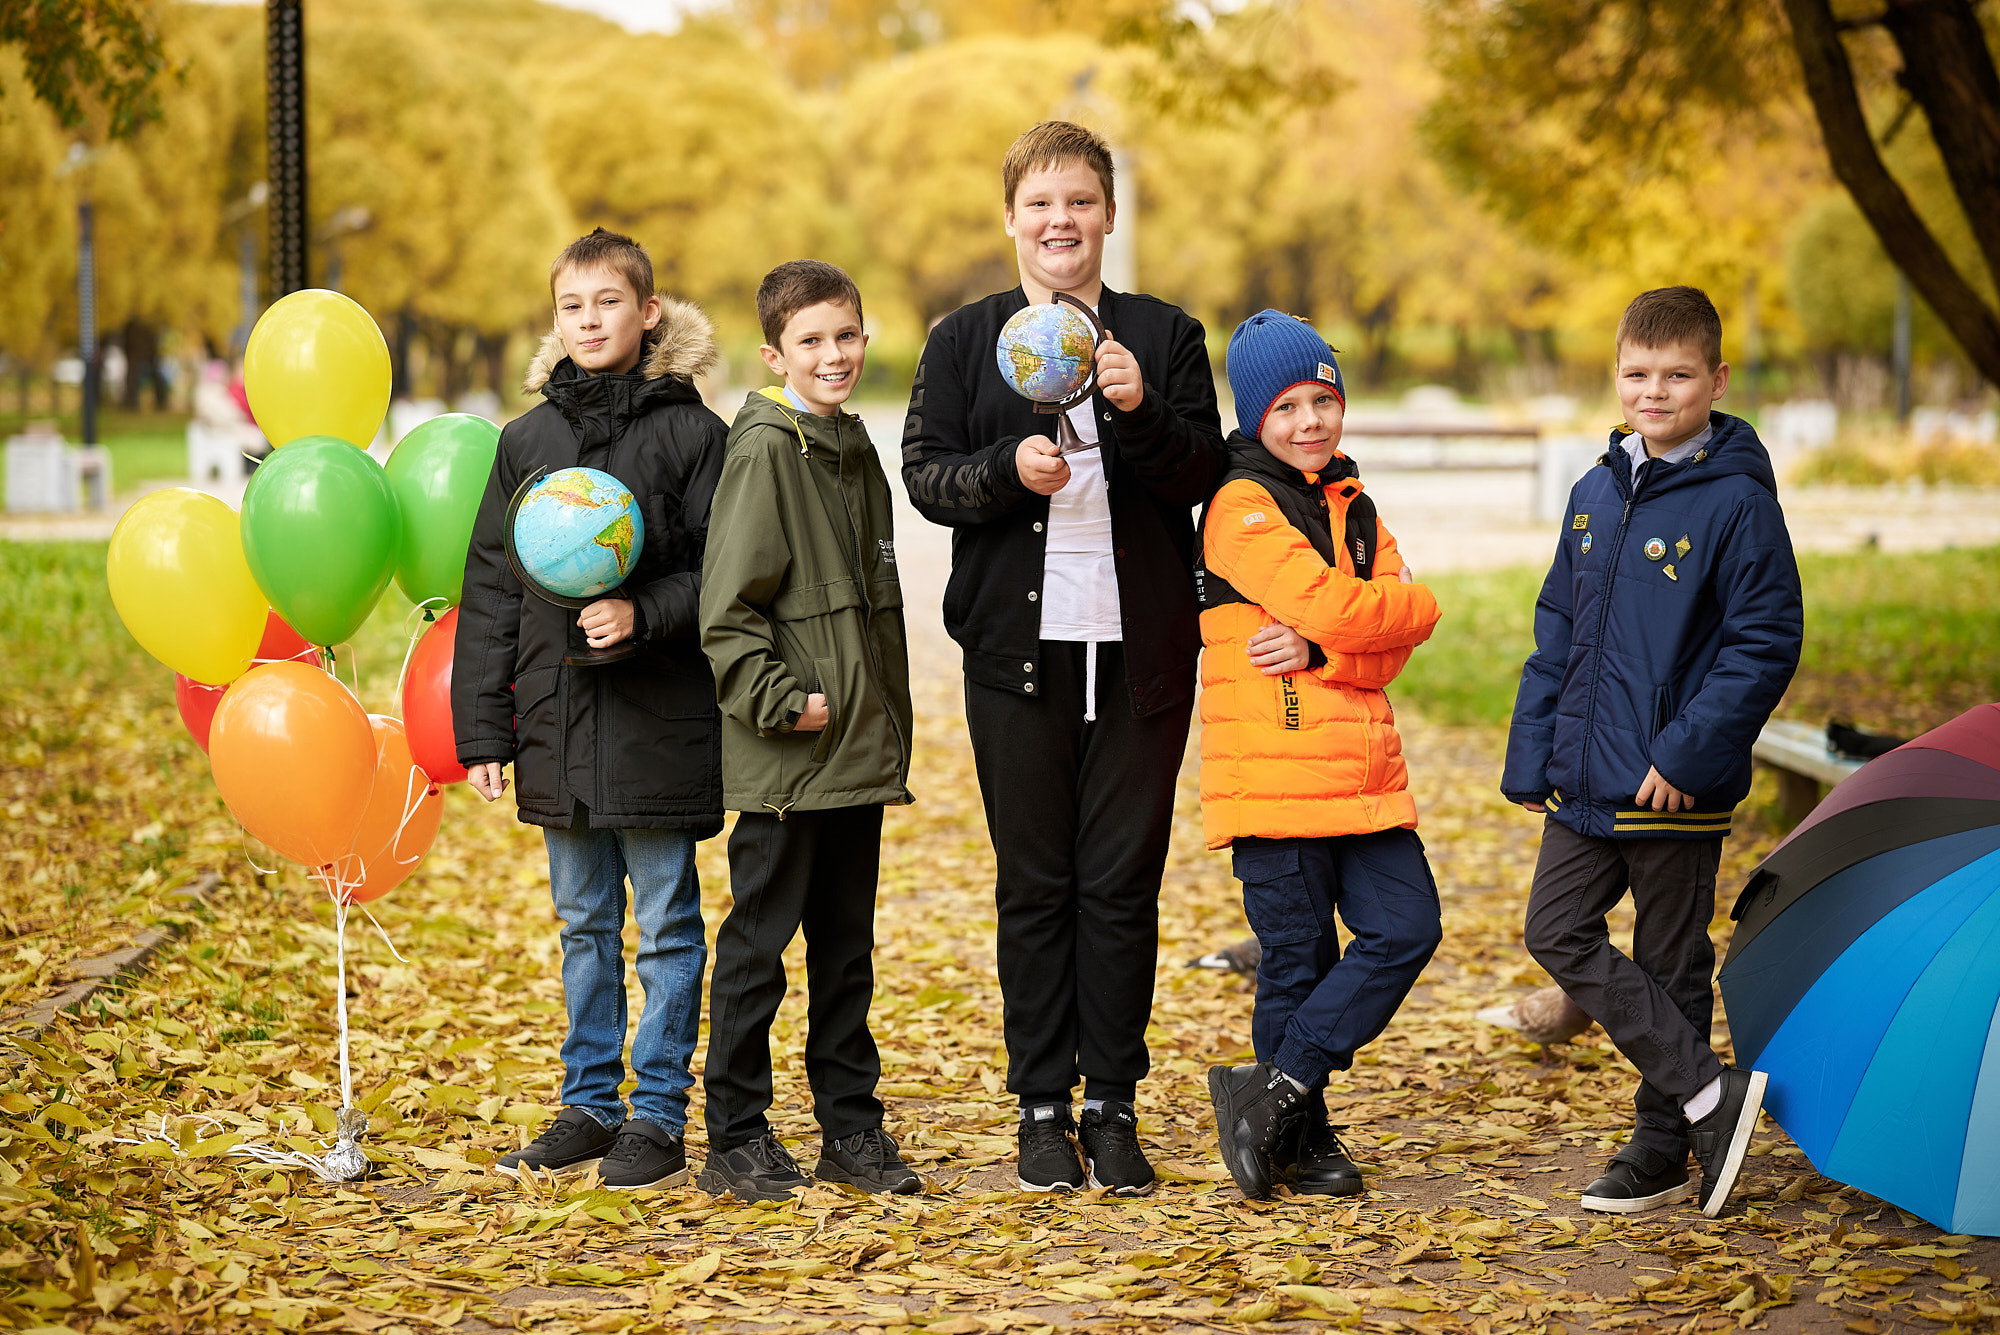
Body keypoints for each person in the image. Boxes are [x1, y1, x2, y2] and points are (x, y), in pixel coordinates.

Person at [900, 120, 1225, 1195]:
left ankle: (1112, 1103)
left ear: (1109, 217)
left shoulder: (1164, 336)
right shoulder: (962, 340)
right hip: (1015, 658)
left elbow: (1200, 481)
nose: (1059, 222)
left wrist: (1135, 409)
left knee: (1122, 884)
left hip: (1140, 659)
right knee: (1034, 884)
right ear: (1010, 220)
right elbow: (925, 475)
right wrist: (1007, 468)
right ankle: (1040, 1106)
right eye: (1039, 204)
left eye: (1079, 202)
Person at [1503, 286, 1803, 1218]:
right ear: (1617, 375)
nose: (1656, 392)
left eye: (1678, 376)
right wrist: (1535, 748)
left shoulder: (1738, 502)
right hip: (1585, 773)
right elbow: (1559, 624)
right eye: (1638, 374)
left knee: (1670, 960)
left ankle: (1661, 1143)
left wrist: (1686, 750)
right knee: (1554, 929)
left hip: (1673, 781)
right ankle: (1712, 1095)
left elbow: (1766, 639)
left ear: (1715, 379)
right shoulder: (1595, 489)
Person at [454, 228, 726, 1191]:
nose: (589, 320)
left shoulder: (696, 434)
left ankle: (655, 1114)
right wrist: (481, 729)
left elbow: (724, 577)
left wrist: (642, 612)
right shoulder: (524, 443)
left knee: (664, 923)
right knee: (580, 921)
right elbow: (491, 590)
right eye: (572, 306)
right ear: (555, 318)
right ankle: (589, 1102)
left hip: (659, 720)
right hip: (560, 726)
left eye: (608, 303)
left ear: (649, 313)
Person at [1196, 312, 1444, 1201]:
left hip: (1364, 775)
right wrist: (1365, 620)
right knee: (1295, 958)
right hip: (1276, 773)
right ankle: (1298, 1133)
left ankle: (1273, 1090)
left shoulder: (1356, 504)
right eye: (1289, 405)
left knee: (1407, 926)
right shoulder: (1240, 504)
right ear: (1255, 414)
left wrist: (1325, 649)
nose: (1310, 421)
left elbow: (1398, 627)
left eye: (1324, 400)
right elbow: (1366, 606)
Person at [697, 260, 920, 1201]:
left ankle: (850, 1130)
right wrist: (787, 702)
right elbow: (728, 612)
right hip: (793, 754)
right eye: (812, 341)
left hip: (855, 755)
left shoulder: (852, 446)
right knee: (759, 944)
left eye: (846, 335)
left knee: (846, 948)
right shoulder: (765, 453)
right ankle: (733, 1133)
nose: (834, 355)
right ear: (774, 353)